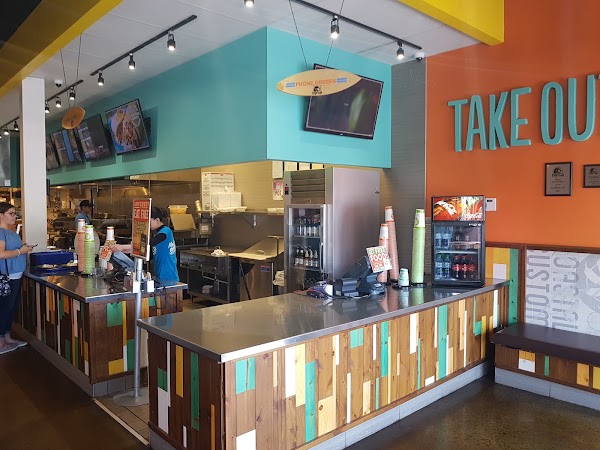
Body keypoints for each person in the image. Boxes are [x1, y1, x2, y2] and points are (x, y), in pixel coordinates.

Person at [110, 206, 179, 286]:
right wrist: (130, 250)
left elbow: (148, 243)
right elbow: (149, 252)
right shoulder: (157, 233)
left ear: (157, 220)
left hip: (168, 275)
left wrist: (122, 247)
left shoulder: (165, 231)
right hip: (160, 274)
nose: (148, 225)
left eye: (149, 222)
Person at [0, 202, 34, 354]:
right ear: (1, 215)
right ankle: (1, 341)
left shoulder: (9, 232)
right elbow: (1, 254)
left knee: (11, 308)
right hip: (8, 276)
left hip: (16, 275)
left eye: (15, 213)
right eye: (11, 213)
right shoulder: (1, 232)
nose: (15, 216)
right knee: (5, 308)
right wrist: (21, 251)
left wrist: (22, 248)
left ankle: (7, 337)